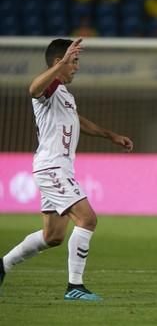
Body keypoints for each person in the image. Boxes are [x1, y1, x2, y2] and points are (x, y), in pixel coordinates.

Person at [0, 38, 134, 301]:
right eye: (73, 61)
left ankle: (3, 264)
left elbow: (76, 120)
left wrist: (110, 135)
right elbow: (32, 89)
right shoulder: (49, 87)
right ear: (57, 63)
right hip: (52, 167)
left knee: (53, 236)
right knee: (88, 219)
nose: (76, 67)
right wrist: (61, 65)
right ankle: (75, 286)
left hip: (57, 168)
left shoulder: (63, 94)